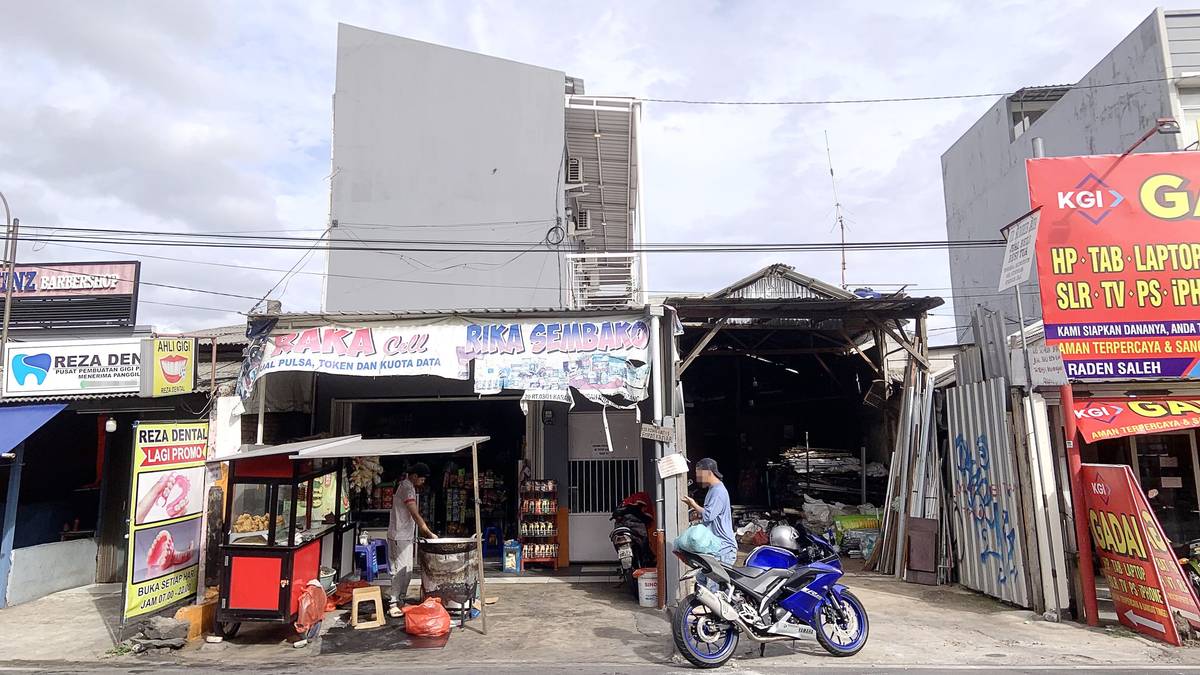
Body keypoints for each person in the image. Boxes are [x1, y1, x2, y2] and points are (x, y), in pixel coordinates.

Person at [388, 462, 437, 618]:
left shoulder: (407, 486)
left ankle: (401, 600)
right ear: (415, 476)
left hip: (406, 536)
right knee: (399, 570)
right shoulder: (407, 488)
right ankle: (393, 603)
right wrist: (429, 533)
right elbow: (415, 515)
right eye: (422, 479)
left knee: (408, 570)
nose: (423, 483)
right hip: (399, 536)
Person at [681, 458, 737, 573]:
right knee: (702, 580)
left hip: (724, 548)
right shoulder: (712, 490)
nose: (698, 479)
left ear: (709, 473)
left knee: (714, 588)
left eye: (699, 475)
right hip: (715, 548)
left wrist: (693, 504)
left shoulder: (718, 491)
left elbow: (708, 516)